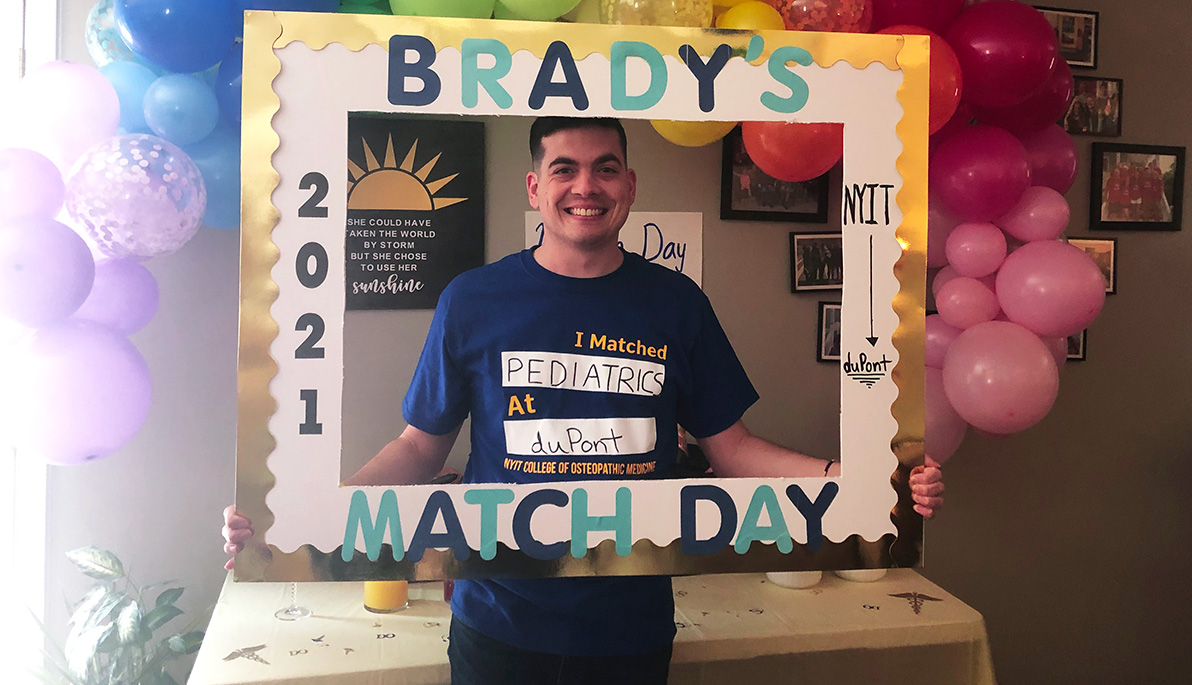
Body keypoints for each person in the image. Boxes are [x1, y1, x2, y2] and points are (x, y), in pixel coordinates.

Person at [223, 117, 944, 684]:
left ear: (629, 185)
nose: (585, 186)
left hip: (628, 623)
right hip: (496, 620)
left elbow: (735, 449)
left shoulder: (676, 303)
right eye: (563, 168)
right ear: (535, 187)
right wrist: (298, 515)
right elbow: (418, 446)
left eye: (604, 168)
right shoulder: (471, 300)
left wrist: (858, 482)